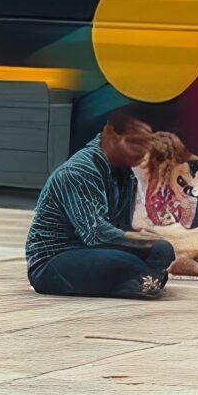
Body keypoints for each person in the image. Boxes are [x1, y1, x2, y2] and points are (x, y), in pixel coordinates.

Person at [26, 111, 179, 300]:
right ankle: (143, 279)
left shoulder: (125, 174)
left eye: (147, 143)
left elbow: (121, 229)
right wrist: (147, 240)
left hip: (97, 251)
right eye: (134, 142)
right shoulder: (79, 171)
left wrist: (155, 242)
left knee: (162, 250)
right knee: (124, 262)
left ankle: (140, 280)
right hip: (56, 258)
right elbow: (95, 234)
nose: (143, 151)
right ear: (110, 134)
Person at [135, 131, 198, 282]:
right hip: (148, 233)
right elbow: (138, 220)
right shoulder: (139, 178)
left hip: (163, 228)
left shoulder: (166, 185)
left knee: (183, 238)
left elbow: (181, 215)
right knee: (170, 246)